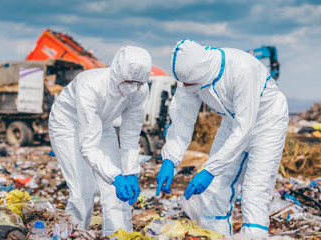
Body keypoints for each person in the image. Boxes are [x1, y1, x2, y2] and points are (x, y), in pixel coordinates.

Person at [156, 39, 288, 238]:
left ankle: (254, 234)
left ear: (203, 73)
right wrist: (169, 159)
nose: (186, 87)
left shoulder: (242, 69)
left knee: (255, 190)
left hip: (267, 121)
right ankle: (217, 235)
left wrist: (209, 170)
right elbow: (182, 119)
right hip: (232, 121)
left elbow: (244, 129)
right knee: (214, 189)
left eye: (190, 84)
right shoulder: (190, 78)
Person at [48, 45, 152, 237]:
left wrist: (130, 172)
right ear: (117, 72)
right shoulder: (91, 84)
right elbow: (88, 146)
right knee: (83, 192)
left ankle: (119, 235)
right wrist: (116, 176)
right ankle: (74, 235)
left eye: (138, 83)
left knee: (116, 193)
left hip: (103, 125)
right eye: (128, 81)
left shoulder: (141, 90)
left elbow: (130, 136)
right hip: (67, 124)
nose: (132, 88)